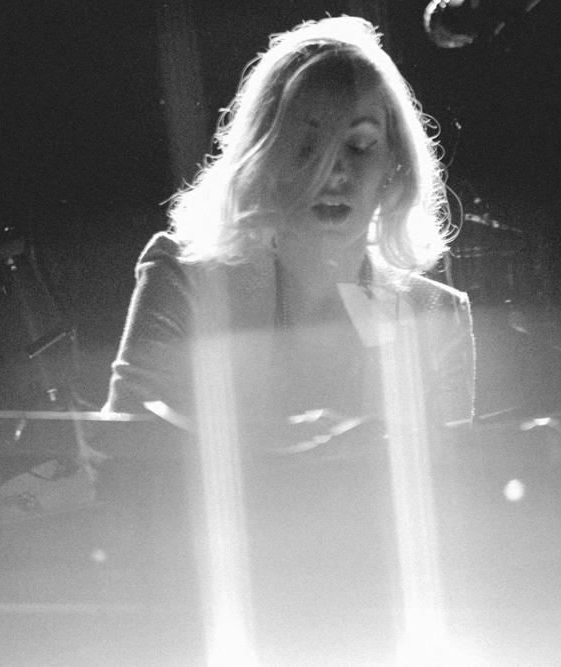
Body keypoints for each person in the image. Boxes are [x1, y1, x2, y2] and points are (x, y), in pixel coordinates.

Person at [103, 16, 474, 451]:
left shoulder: (435, 316)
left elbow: (457, 485)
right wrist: (284, 448)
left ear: (397, 163)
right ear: (261, 158)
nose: (334, 173)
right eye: (306, 146)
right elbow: (120, 456)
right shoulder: (185, 279)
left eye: (358, 146)